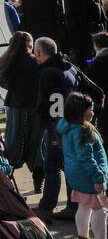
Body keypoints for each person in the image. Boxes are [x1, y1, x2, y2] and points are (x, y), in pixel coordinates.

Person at [57, 92, 108, 239]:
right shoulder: (81, 131)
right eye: (90, 109)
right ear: (81, 111)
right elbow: (87, 158)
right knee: (100, 211)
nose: (92, 113)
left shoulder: (67, 127)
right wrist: (98, 177)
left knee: (84, 207)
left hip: (76, 177)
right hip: (89, 177)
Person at [34, 36, 79, 224]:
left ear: (39, 52)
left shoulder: (48, 73)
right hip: (71, 123)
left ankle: (46, 208)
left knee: (52, 167)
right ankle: (73, 205)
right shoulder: (69, 67)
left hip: (57, 125)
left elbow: (55, 102)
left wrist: (53, 121)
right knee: (68, 167)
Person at [0, 31, 44, 190]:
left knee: (14, 141)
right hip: (34, 105)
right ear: (30, 45)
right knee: (36, 142)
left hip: (15, 105)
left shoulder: (6, 61)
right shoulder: (36, 62)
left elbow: (2, 83)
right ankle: (38, 177)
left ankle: (5, 177)